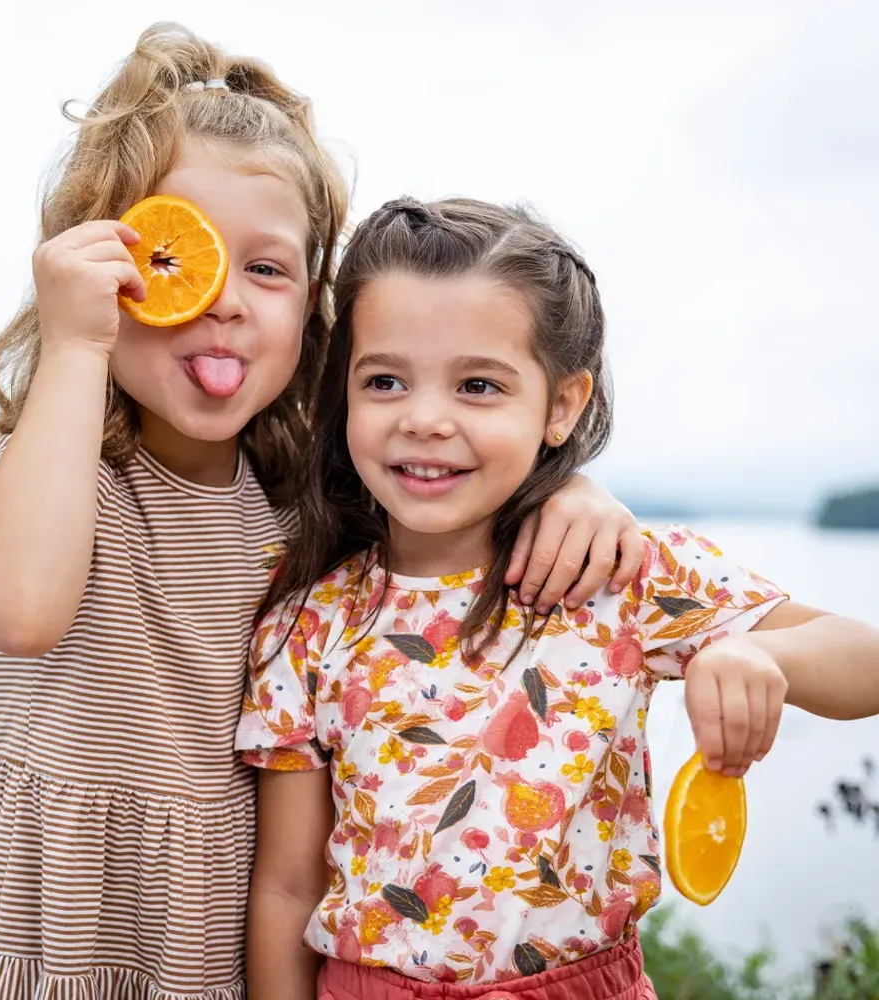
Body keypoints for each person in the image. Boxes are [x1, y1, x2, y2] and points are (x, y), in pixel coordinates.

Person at [0, 26, 642, 1000]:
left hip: (217, 945)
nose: (225, 302)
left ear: (312, 309)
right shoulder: (59, 474)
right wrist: (72, 345)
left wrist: (570, 487)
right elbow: (18, 609)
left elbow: (451, 506)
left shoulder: (298, 509)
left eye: (265, 271)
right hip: (52, 937)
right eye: (183, 255)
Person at [237, 197, 879, 1000]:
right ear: (347, 394)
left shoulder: (620, 574)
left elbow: (865, 661)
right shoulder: (310, 620)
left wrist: (754, 649)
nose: (425, 418)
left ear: (563, 405)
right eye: (386, 380)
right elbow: (287, 888)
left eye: (478, 385)